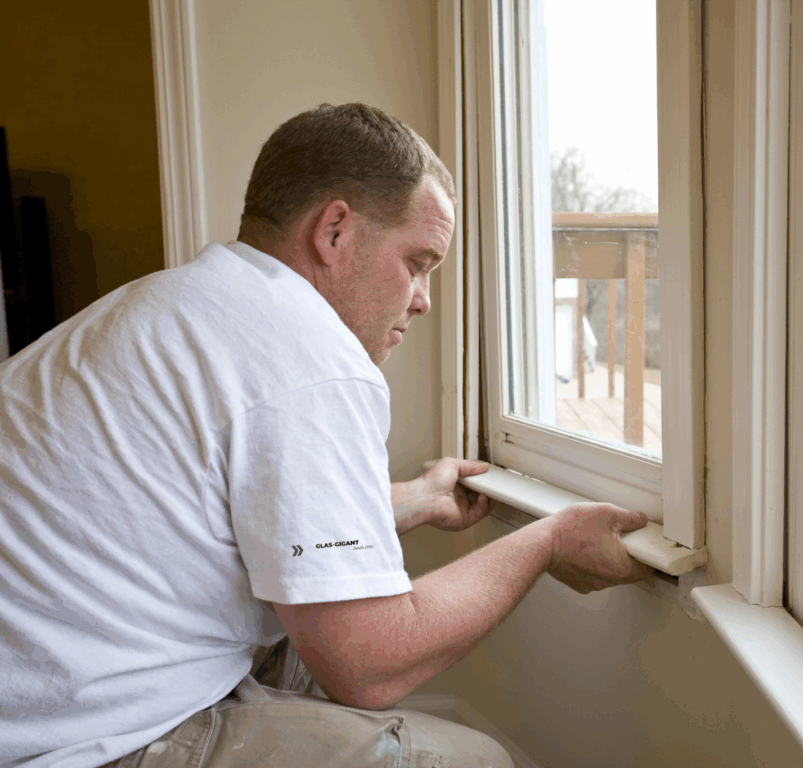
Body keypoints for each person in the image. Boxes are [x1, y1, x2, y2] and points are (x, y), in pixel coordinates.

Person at [0, 103, 651, 768]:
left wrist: (416, 499)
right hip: (69, 744)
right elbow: (369, 665)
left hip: (40, 695)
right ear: (334, 230)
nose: (423, 298)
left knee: (302, 635)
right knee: (474, 761)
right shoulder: (306, 357)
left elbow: (230, 513)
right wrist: (547, 541)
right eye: (417, 262)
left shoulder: (177, 306)